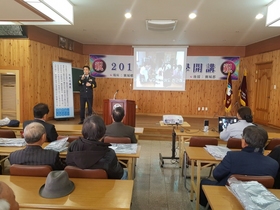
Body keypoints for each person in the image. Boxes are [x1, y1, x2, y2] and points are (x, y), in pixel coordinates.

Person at [200, 126, 279, 207]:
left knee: (203, 182)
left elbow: (216, 174)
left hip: (228, 196)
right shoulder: (274, 164)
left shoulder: (232, 157)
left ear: (244, 142)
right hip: (258, 201)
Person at [66, 115, 126, 179]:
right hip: (104, 187)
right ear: (103, 132)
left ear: (83, 131)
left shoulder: (73, 146)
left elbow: (68, 163)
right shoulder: (108, 153)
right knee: (125, 174)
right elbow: (117, 175)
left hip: (76, 184)